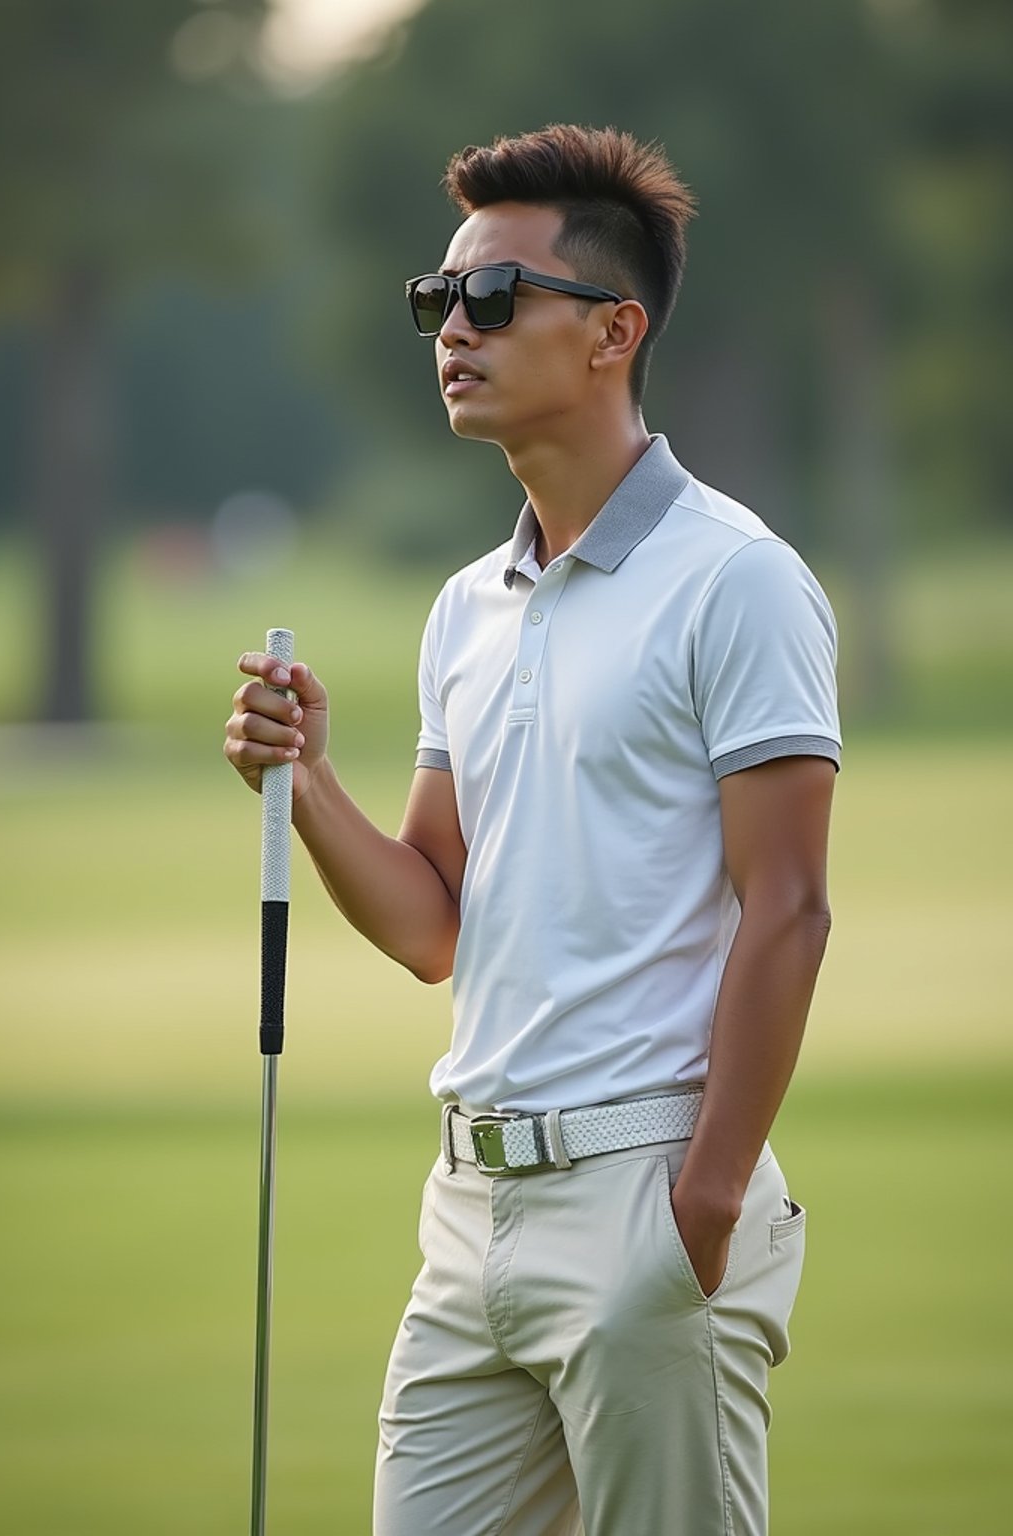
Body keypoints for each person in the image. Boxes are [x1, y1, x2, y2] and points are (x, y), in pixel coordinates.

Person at [224, 124, 841, 1536]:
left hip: (650, 1195)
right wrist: (307, 783)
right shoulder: (468, 608)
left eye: (494, 300)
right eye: (436, 302)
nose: (454, 330)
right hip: (467, 1213)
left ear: (614, 331)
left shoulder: (735, 581)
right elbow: (433, 925)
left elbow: (790, 908)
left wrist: (703, 1209)